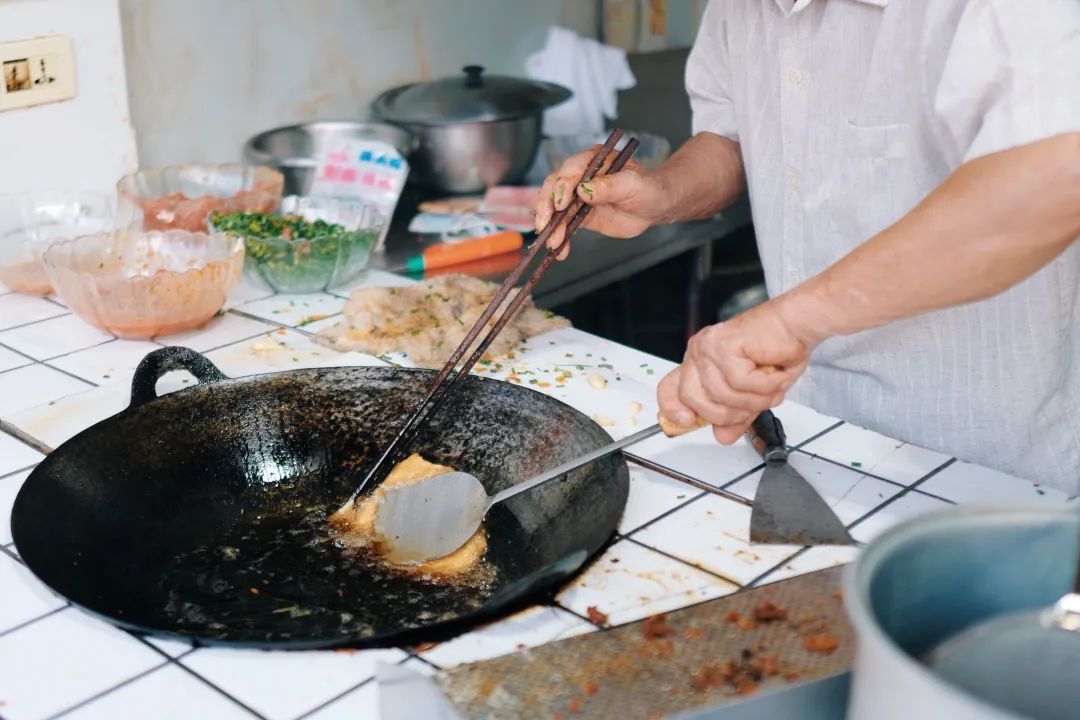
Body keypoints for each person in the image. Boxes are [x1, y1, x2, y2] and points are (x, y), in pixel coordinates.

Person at [533, 0, 1080, 492]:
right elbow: (733, 133)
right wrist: (662, 191)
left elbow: (1055, 179)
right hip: (802, 428)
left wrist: (791, 322)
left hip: (983, 458)